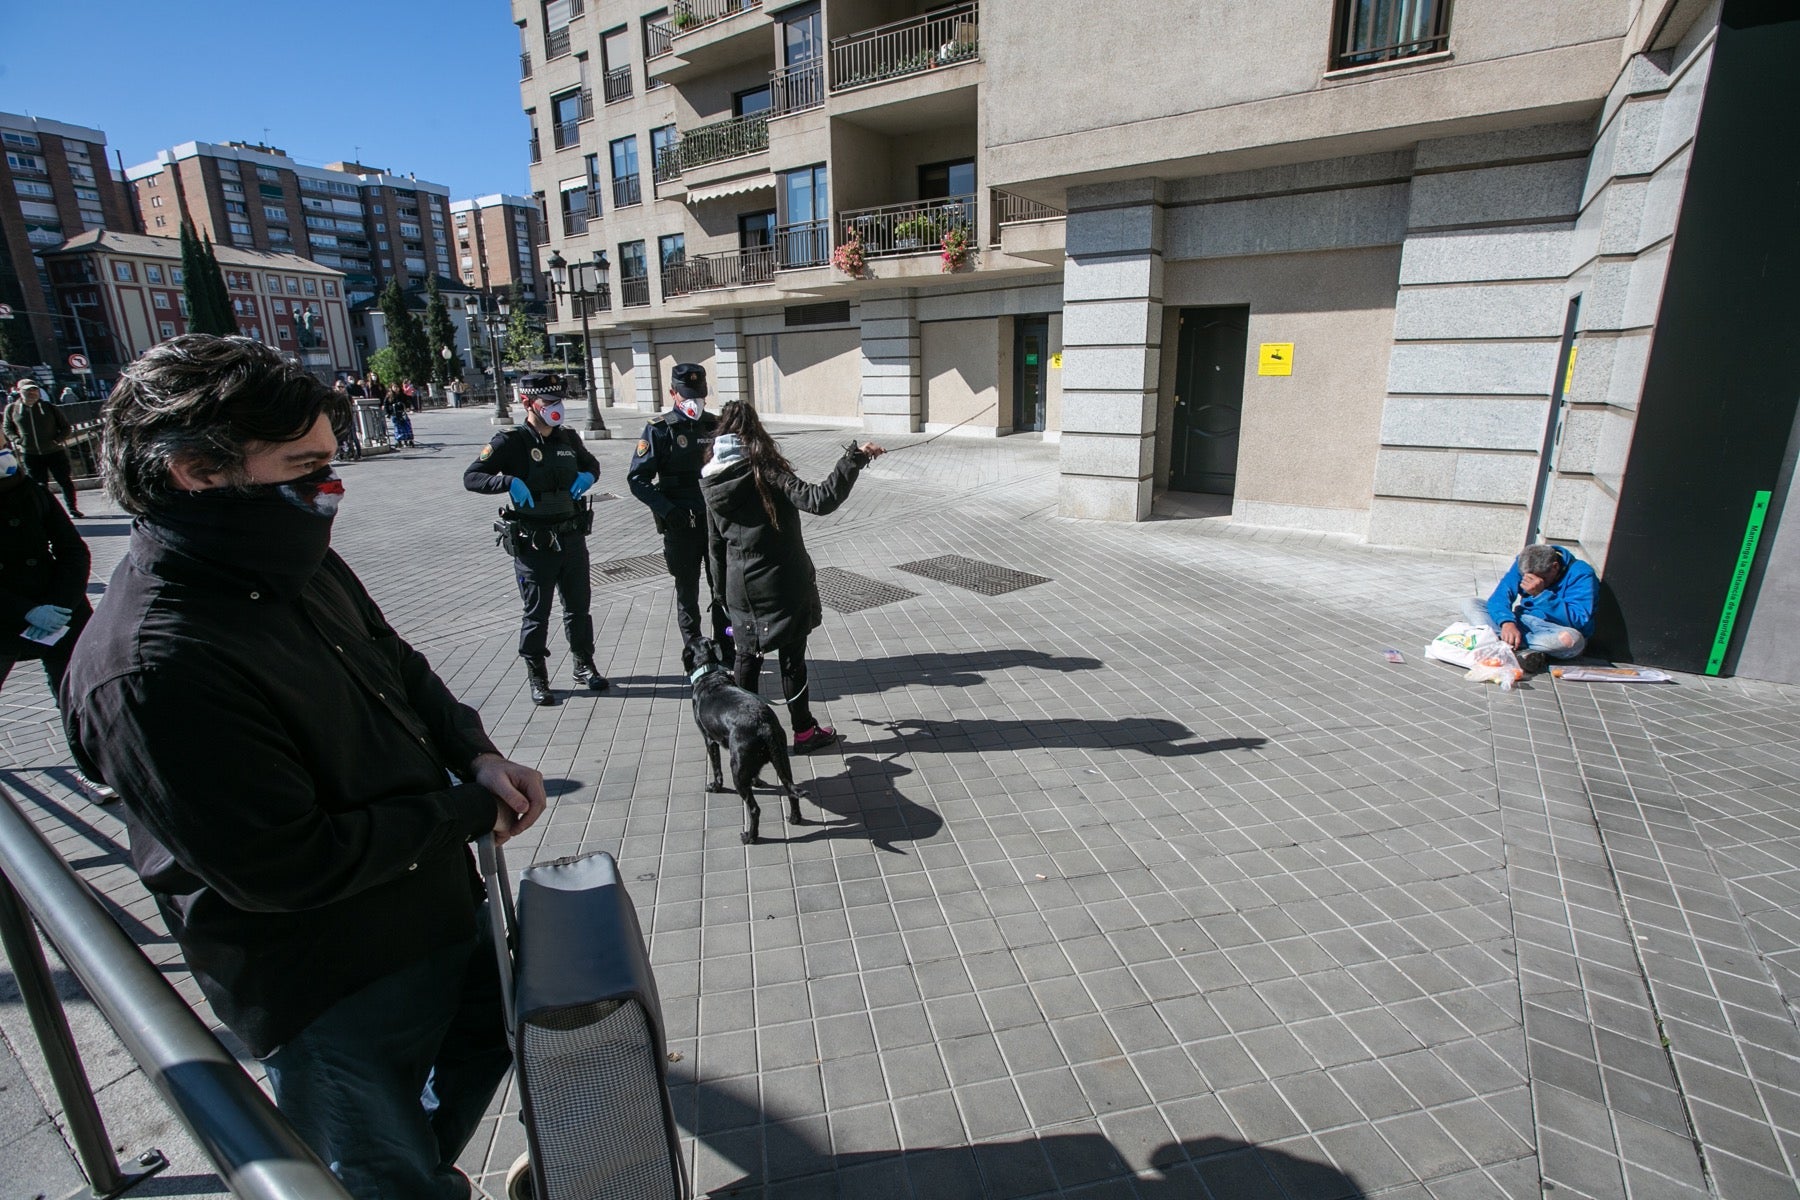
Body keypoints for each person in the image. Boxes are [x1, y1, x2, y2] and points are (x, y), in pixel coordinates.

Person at [59, 335, 547, 1200]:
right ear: (196, 472)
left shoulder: (289, 552)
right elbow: (286, 864)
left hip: (433, 907)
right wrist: (467, 814)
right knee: (380, 1175)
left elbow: (392, 659)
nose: (332, 487)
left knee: (484, 1054)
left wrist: (474, 752)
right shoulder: (149, 669)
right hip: (332, 991)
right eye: (305, 466)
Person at [700, 400, 884, 754]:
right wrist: (854, 458)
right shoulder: (764, 469)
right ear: (755, 431)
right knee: (791, 660)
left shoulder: (712, 477)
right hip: (782, 583)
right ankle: (803, 732)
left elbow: (715, 545)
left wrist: (721, 594)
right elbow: (820, 500)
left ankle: (746, 737)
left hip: (741, 588)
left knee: (747, 659)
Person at [463, 373, 607, 705]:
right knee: (536, 613)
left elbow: (592, 465)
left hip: (571, 537)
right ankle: (537, 675)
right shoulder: (511, 442)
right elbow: (472, 476)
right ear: (528, 403)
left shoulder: (568, 438)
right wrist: (507, 482)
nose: (557, 408)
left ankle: (583, 664)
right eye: (549, 402)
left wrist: (588, 476)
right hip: (534, 543)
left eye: (560, 401)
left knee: (578, 608)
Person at [627, 363, 732, 658]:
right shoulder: (659, 430)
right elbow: (637, 479)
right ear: (673, 393)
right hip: (681, 525)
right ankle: (696, 655)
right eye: (687, 395)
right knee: (687, 593)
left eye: (699, 395)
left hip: (714, 524)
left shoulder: (715, 426)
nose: (694, 402)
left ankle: (727, 650)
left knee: (723, 590)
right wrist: (667, 511)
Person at [0, 444, 90, 696]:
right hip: (5, 612)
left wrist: (59, 605)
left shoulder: (32, 491)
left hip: (58, 608)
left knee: (78, 698)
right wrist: (26, 611)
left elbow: (73, 551)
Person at [1460, 542, 1597, 673]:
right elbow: (1500, 596)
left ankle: (1502, 643)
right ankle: (1520, 648)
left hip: (1554, 629)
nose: (1531, 582)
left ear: (1555, 567)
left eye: (1541, 578)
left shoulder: (1581, 573)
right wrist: (1507, 622)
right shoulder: (1523, 563)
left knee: (1572, 640)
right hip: (1523, 621)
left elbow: (1578, 620)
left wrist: (1541, 595)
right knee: (1472, 604)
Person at [3, 379, 82, 517]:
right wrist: (17, 440)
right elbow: (7, 428)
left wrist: (57, 440)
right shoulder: (12, 409)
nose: (32, 393)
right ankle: (46, 513)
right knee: (39, 485)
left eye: (34, 389)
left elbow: (66, 427)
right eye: (28, 390)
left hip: (54, 451)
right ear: (19, 391)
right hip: (30, 453)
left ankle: (72, 508)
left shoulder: (49, 407)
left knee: (64, 481)